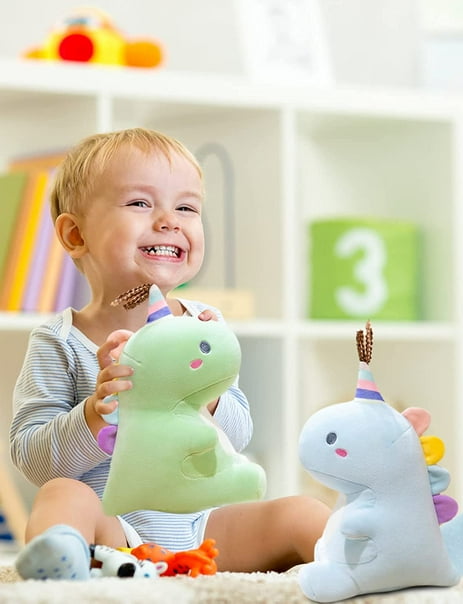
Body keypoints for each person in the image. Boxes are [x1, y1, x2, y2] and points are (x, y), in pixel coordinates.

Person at [9, 127, 330, 580]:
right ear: (75, 233)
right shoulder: (60, 340)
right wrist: (95, 413)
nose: (169, 220)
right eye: (140, 203)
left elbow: (237, 436)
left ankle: (368, 557)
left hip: (209, 530)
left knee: (302, 511)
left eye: (186, 207)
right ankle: (62, 560)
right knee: (62, 494)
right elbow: (33, 459)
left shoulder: (203, 326)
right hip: (115, 532)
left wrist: (208, 391)